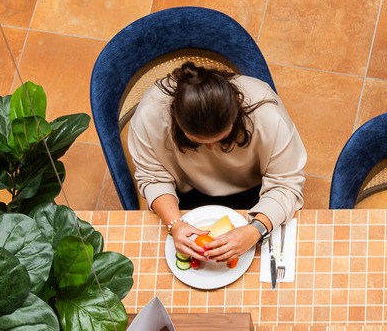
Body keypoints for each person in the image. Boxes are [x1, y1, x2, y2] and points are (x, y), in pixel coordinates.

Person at [128, 61, 307, 263]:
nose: (212, 149)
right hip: (184, 193)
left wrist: (256, 229)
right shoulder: (149, 115)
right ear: (176, 121)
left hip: (258, 190)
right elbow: (152, 177)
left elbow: (287, 183)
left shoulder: (267, 114)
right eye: (200, 142)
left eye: (220, 139)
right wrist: (175, 224)